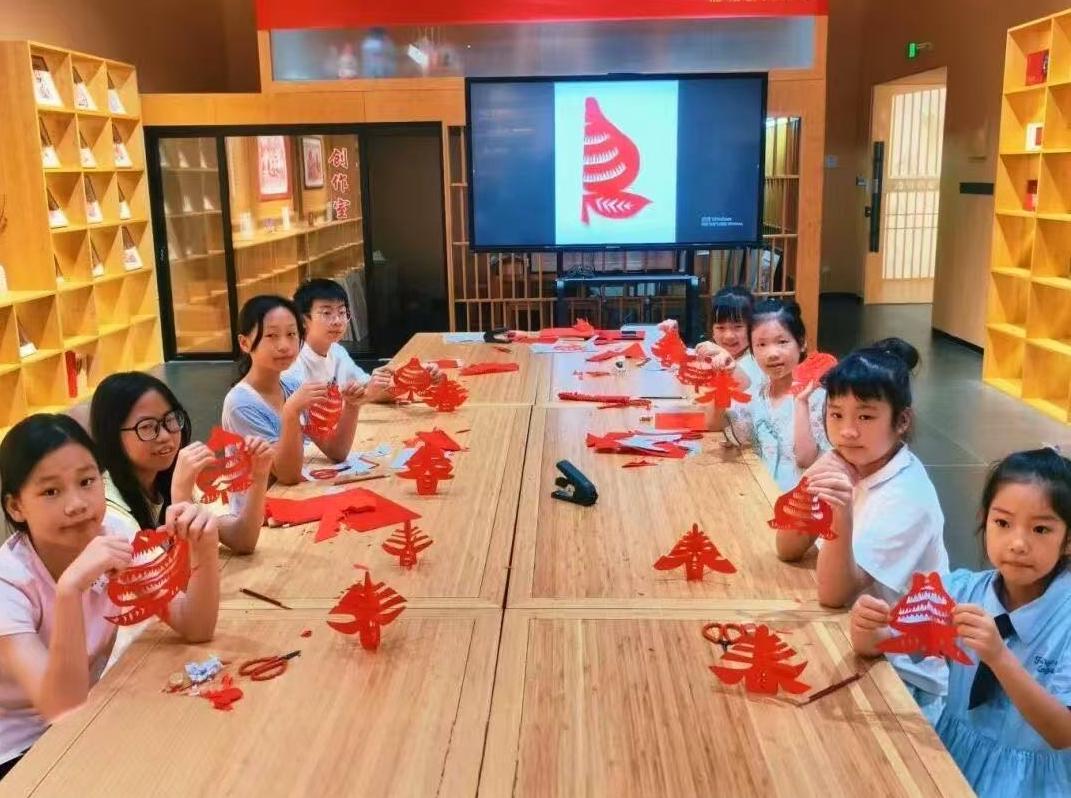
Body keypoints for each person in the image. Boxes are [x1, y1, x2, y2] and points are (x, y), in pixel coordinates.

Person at [0, 414, 220, 777]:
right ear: (15, 506)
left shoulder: (113, 534)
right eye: (51, 491)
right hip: (19, 751)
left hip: (88, 717)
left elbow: (194, 625)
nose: (77, 503)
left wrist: (205, 550)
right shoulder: (9, 582)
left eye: (87, 481)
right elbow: (60, 709)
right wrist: (70, 590)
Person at [851, 448, 1071, 796]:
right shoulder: (960, 590)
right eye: (1003, 523)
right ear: (985, 520)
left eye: (1041, 529)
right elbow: (881, 646)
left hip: (1032, 783)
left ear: (1068, 539)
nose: (1017, 543)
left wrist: (999, 658)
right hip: (953, 756)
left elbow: (1063, 733)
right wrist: (868, 628)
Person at [780, 338, 949, 721]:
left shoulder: (907, 497)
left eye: (866, 417)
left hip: (901, 675)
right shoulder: (849, 460)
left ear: (901, 422)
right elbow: (787, 547)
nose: (847, 431)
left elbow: (834, 593)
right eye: (836, 415)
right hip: (848, 634)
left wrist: (838, 511)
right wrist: (810, 485)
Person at [90, 372, 273, 554]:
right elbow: (184, 569)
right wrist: (181, 496)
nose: (165, 436)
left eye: (170, 420)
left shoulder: (168, 476)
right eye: (146, 427)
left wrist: (259, 474)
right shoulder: (108, 510)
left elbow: (242, 539)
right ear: (111, 436)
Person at [221, 295, 365, 485]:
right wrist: (290, 412)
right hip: (262, 503)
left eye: (291, 334)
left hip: (294, 496)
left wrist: (352, 406)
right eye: (271, 336)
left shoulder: (292, 386)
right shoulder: (240, 404)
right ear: (244, 343)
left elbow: (336, 451)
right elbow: (287, 475)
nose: (284, 346)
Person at [722, 298, 830, 490]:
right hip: (763, 492)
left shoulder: (818, 398)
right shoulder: (760, 393)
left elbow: (805, 459)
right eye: (761, 345)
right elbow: (736, 434)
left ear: (801, 343)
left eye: (782, 342)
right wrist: (721, 375)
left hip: (801, 498)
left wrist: (801, 402)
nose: (772, 353)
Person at [283, 278, 439, 399]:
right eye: (326, 313)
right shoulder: (292, 364)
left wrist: (419, 380)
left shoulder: (337, 351)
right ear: (302, 320)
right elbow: (311, 418)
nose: (337, 321)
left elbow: (369, 391)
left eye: (342, 312)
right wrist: (367, 395)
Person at [696, 286, 763, 389]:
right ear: (712, 330)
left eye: (738, 327)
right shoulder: (711, 354)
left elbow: (744, 386)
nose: (729, 336)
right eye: (720, 328)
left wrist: (723, 355)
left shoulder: (759, 358)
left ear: (753, 327)